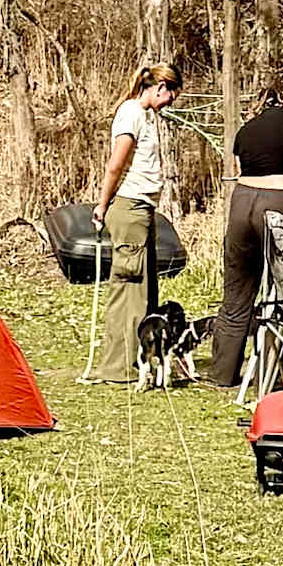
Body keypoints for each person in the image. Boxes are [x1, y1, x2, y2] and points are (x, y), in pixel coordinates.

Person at [213, 77, 283, 383]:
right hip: (280, 200)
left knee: (237, 292)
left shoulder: (244, 132)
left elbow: (238, 172)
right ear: (282, 101)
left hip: (242, 202)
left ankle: (222, 374)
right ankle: (282, 370)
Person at [90, 59, 183, 379]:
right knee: (129, 291)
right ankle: (118, 367)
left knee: (144, 291)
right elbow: (116, 164)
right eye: (171, 94)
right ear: (160, 87)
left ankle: (140, 360)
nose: (171, 102)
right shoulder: (130, 113)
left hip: (143, 210)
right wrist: (102, 206)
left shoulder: (146, 115)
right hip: (129, 209)